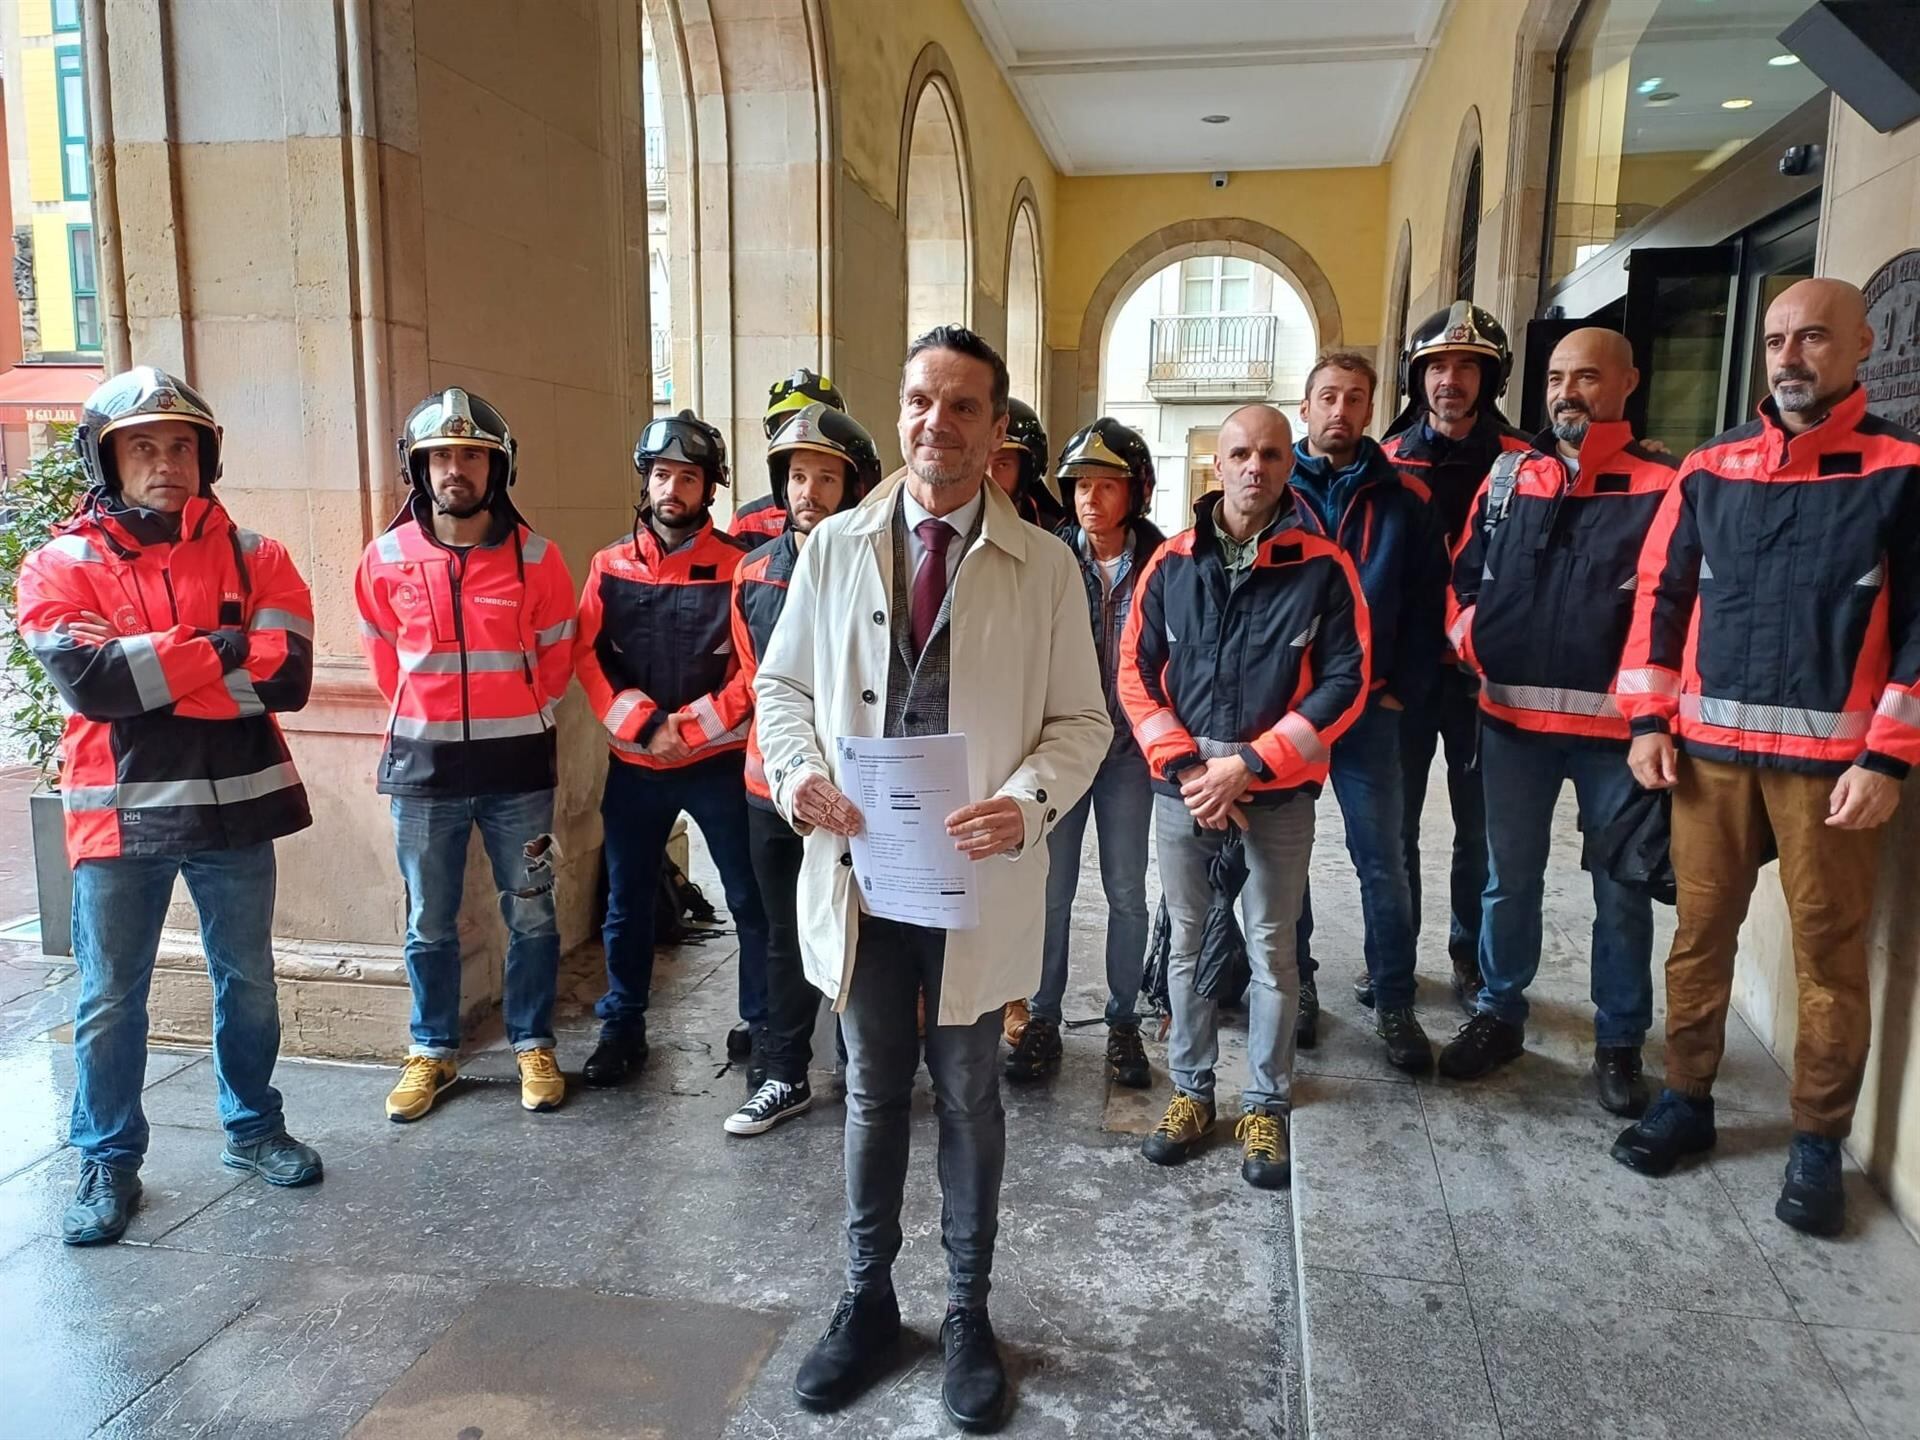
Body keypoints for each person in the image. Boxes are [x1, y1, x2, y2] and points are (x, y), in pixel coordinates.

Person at [753, 326, 1109, 1431]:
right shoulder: (835, 546)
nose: (933, 426)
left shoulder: (1046, 564)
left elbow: (1081, 722)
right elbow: (782, 692)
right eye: (918, 401)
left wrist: (1030, 805)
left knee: (967, 1091)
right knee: (868, 1089)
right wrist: (800, 776)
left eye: (961, 407)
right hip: (864, 865)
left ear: (997, 430)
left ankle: (964, 1313)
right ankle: (866, 1302)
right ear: (897, 409)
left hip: (972, 871)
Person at [1611, 278, 1920, 1237]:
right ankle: (1687, 1101)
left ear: (1862, 345)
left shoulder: (1903, 471)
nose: (1789, 356)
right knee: (1698, 939)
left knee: (1830, 959)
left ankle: (1817, 1143)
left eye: (1814, 337)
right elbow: (1660, 597)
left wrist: (1889, 759)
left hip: (1835, 772)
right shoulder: (1712, 470)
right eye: (1778, 339)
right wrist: (1647, 721)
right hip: (1708, 761)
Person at [18, 367, 323, 1245]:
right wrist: (220, 647)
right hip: (119, 816)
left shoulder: (257, 553)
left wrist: (158, 667)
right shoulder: (59, 562)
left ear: (207, 455)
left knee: (251, 984)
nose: (166, 463)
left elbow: (286, 678)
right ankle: (108, 1163)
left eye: (181, 445)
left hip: (238, 811)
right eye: (143, 447)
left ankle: (254, 1128)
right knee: (111, 997)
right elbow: (93, 682)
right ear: (107, 458)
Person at [1119, 402, 1370, 1189]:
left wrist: (1252, 765)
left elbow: (1346, 681)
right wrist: (1192, 770)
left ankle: (1266, 1102)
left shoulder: (1323, 567)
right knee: (1188, 944)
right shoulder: (1172, 564)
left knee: (1271, 951)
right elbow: (1134, 671)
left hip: (1278, 796)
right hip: (1185, 792)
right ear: (1216, 466)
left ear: (1288, 465)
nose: (1254, 467)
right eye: (1239, 454)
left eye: (1269, 453)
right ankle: (1192, 1092)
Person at [1435, 328, 1676, 1115]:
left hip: (1619, 739)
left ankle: (1619, 1041)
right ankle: (1500, 1013)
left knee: (1621, 890)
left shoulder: (1663, 484)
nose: (1568, 393)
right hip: (1511, 724)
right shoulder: (1510, 477)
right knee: (1510, 883)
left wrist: (1653, 719)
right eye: (1557, 379)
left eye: (1587, 378)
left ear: (1627, 382)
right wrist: (1474, 641)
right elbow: (1464, 576)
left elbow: (1673, 608)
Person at [355, 388, 578, 1122]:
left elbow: (555, 662)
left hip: (518, 774)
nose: (456, 469)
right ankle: (431, 1050)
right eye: (442, 456)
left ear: (497, 468)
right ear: (420, 469)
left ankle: (532, 1041)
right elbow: (385, 664)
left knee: (534, 913)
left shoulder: (538, 559)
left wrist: (525, 712)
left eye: (472, 456)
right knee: (428, 918)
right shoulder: (383, 559)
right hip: (424, 775)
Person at [575, 410, 771, 1089]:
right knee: (625, 904)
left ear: (709, 488)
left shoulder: (741, 569)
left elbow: (752, 671)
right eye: (662, 475)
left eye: (688, 478)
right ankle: (622, 1027)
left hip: (716, 765)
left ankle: (765, 1024)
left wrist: (683, 730)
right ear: (646, 480)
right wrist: (640, 728)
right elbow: (590, 658)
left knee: (750, 900)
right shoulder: (607, 566)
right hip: (633, 770)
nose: (672, 490)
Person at [720, 401, 882, 1137]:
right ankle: (784, 1072)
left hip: (853, 794)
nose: (806, 491)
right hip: (771, 789)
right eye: (795, 475)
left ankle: (866, 1065)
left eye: (824, 476)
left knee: (860, 928)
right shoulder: (752, 570)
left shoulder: (877, 565)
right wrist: (791, 770)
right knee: (784, 934)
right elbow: (759, 678)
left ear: (853, 486)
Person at [1288, 351, 1448, 1070]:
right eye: (1327, 396)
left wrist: (1397, 689)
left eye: (1355, 398)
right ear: (1305, 407)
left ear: (1371, 409)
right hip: (1286, 716)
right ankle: (1295, 990)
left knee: (1382, 861)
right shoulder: (1273, 488)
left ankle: (1393, 1002)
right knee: (1282, 860)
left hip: (1370, 712)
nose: (1340, 411)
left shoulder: (1404, 499)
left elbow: (1425, 605)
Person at [1381, 303, 1531, 1011]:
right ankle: (1396, 958)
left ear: (1490, 378)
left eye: (1467, 367)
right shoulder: (1386, 460)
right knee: (1397, 826)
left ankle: (1470, 957)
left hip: (1484, 678)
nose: (1451, 380)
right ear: (1418, 377)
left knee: (1479, 832)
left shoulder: (1526, 465)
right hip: (1405, 679)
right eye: (1438, 366)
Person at [1003, 418, 1160, 1089]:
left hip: (1130, 752)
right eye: (1079, 486)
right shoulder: (1045, 559)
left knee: (1126, 892)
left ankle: (1124, 1022)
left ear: (1137, 491)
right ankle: (1043, 1016)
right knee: (1050, 890)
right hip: (1062, 750)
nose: (1090, 499)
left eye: (1106, 485)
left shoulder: (1166, 561)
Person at [734, 368, 850, 543]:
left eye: (812, 428)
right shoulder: (749, 522)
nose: (800, 438)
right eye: (787, 429)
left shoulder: (861, 522)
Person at [986, 398, 1068, 531]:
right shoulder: (949, 531)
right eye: (981, 466)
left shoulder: (1055, 534)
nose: (990, 478)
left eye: (1002, 465)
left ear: (1026, 470)